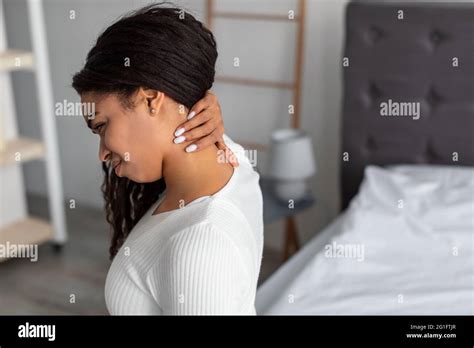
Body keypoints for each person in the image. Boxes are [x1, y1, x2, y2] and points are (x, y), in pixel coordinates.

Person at [72, 3, 263, 315]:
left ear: (150, 98)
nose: (103, 153)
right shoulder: (232, 158)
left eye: (102, 126)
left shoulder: (201, 244)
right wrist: (193, 100)